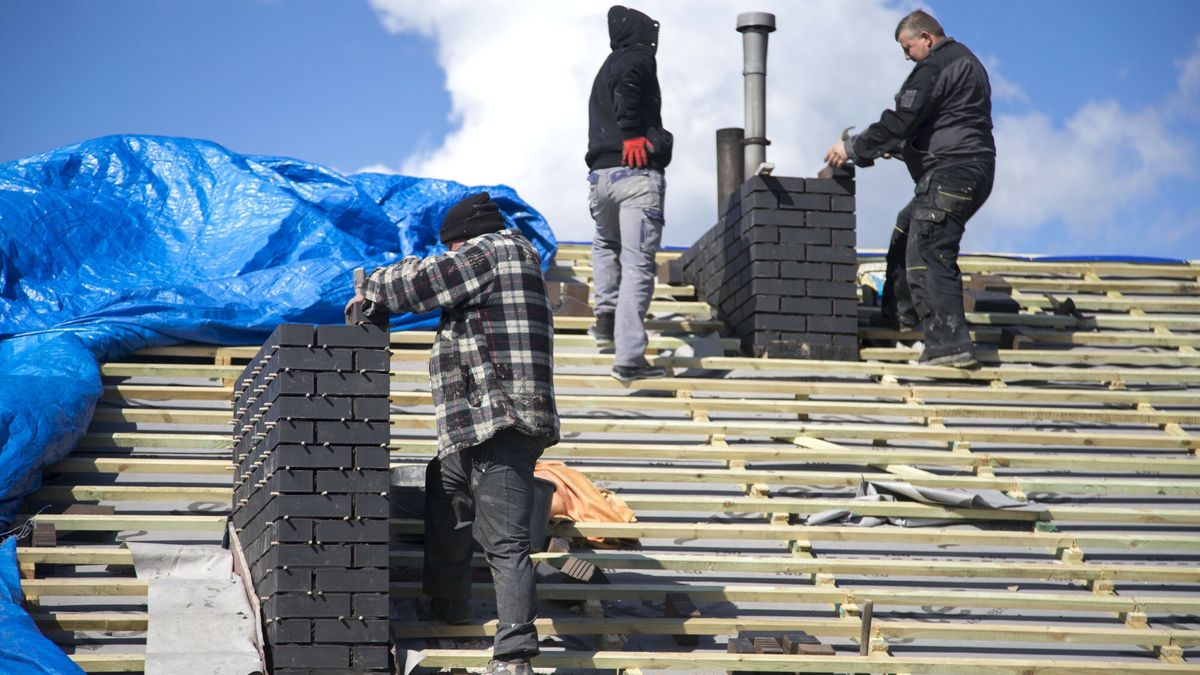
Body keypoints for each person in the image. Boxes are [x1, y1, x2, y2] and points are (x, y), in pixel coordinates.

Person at [345, 192, 559, 675]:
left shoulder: (492, 252)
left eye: (452, 248)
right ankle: (447, 605)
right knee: (445, 491)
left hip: (502, 420)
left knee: (504, 541)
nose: (451, 255)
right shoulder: (506, 260)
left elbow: (418, 285)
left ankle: (515, 654)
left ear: (463, 240)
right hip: (476, 424)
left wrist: (372, 285)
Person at [825, 9, 996, 368]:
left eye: (907, 47)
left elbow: (901, 118)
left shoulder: (937, 65)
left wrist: (853, 147)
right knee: (907, 231)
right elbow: (944, 122)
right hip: (970, 170)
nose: (906, 56)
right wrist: (902, 147)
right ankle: (900, 318)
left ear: (927, 39)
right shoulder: (968, 63)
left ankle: (950, 345)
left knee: (929, 250)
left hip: (952, 171)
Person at [586, 5, 673, 382]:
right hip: (634, 174)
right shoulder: (635, 57)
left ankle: (605, 320)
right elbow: (630, 81)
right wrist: (634, 131)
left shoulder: (604, 66)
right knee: (638, 264)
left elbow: (621, 81)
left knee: (606, 244)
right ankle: (630, 358)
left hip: (601, 178)